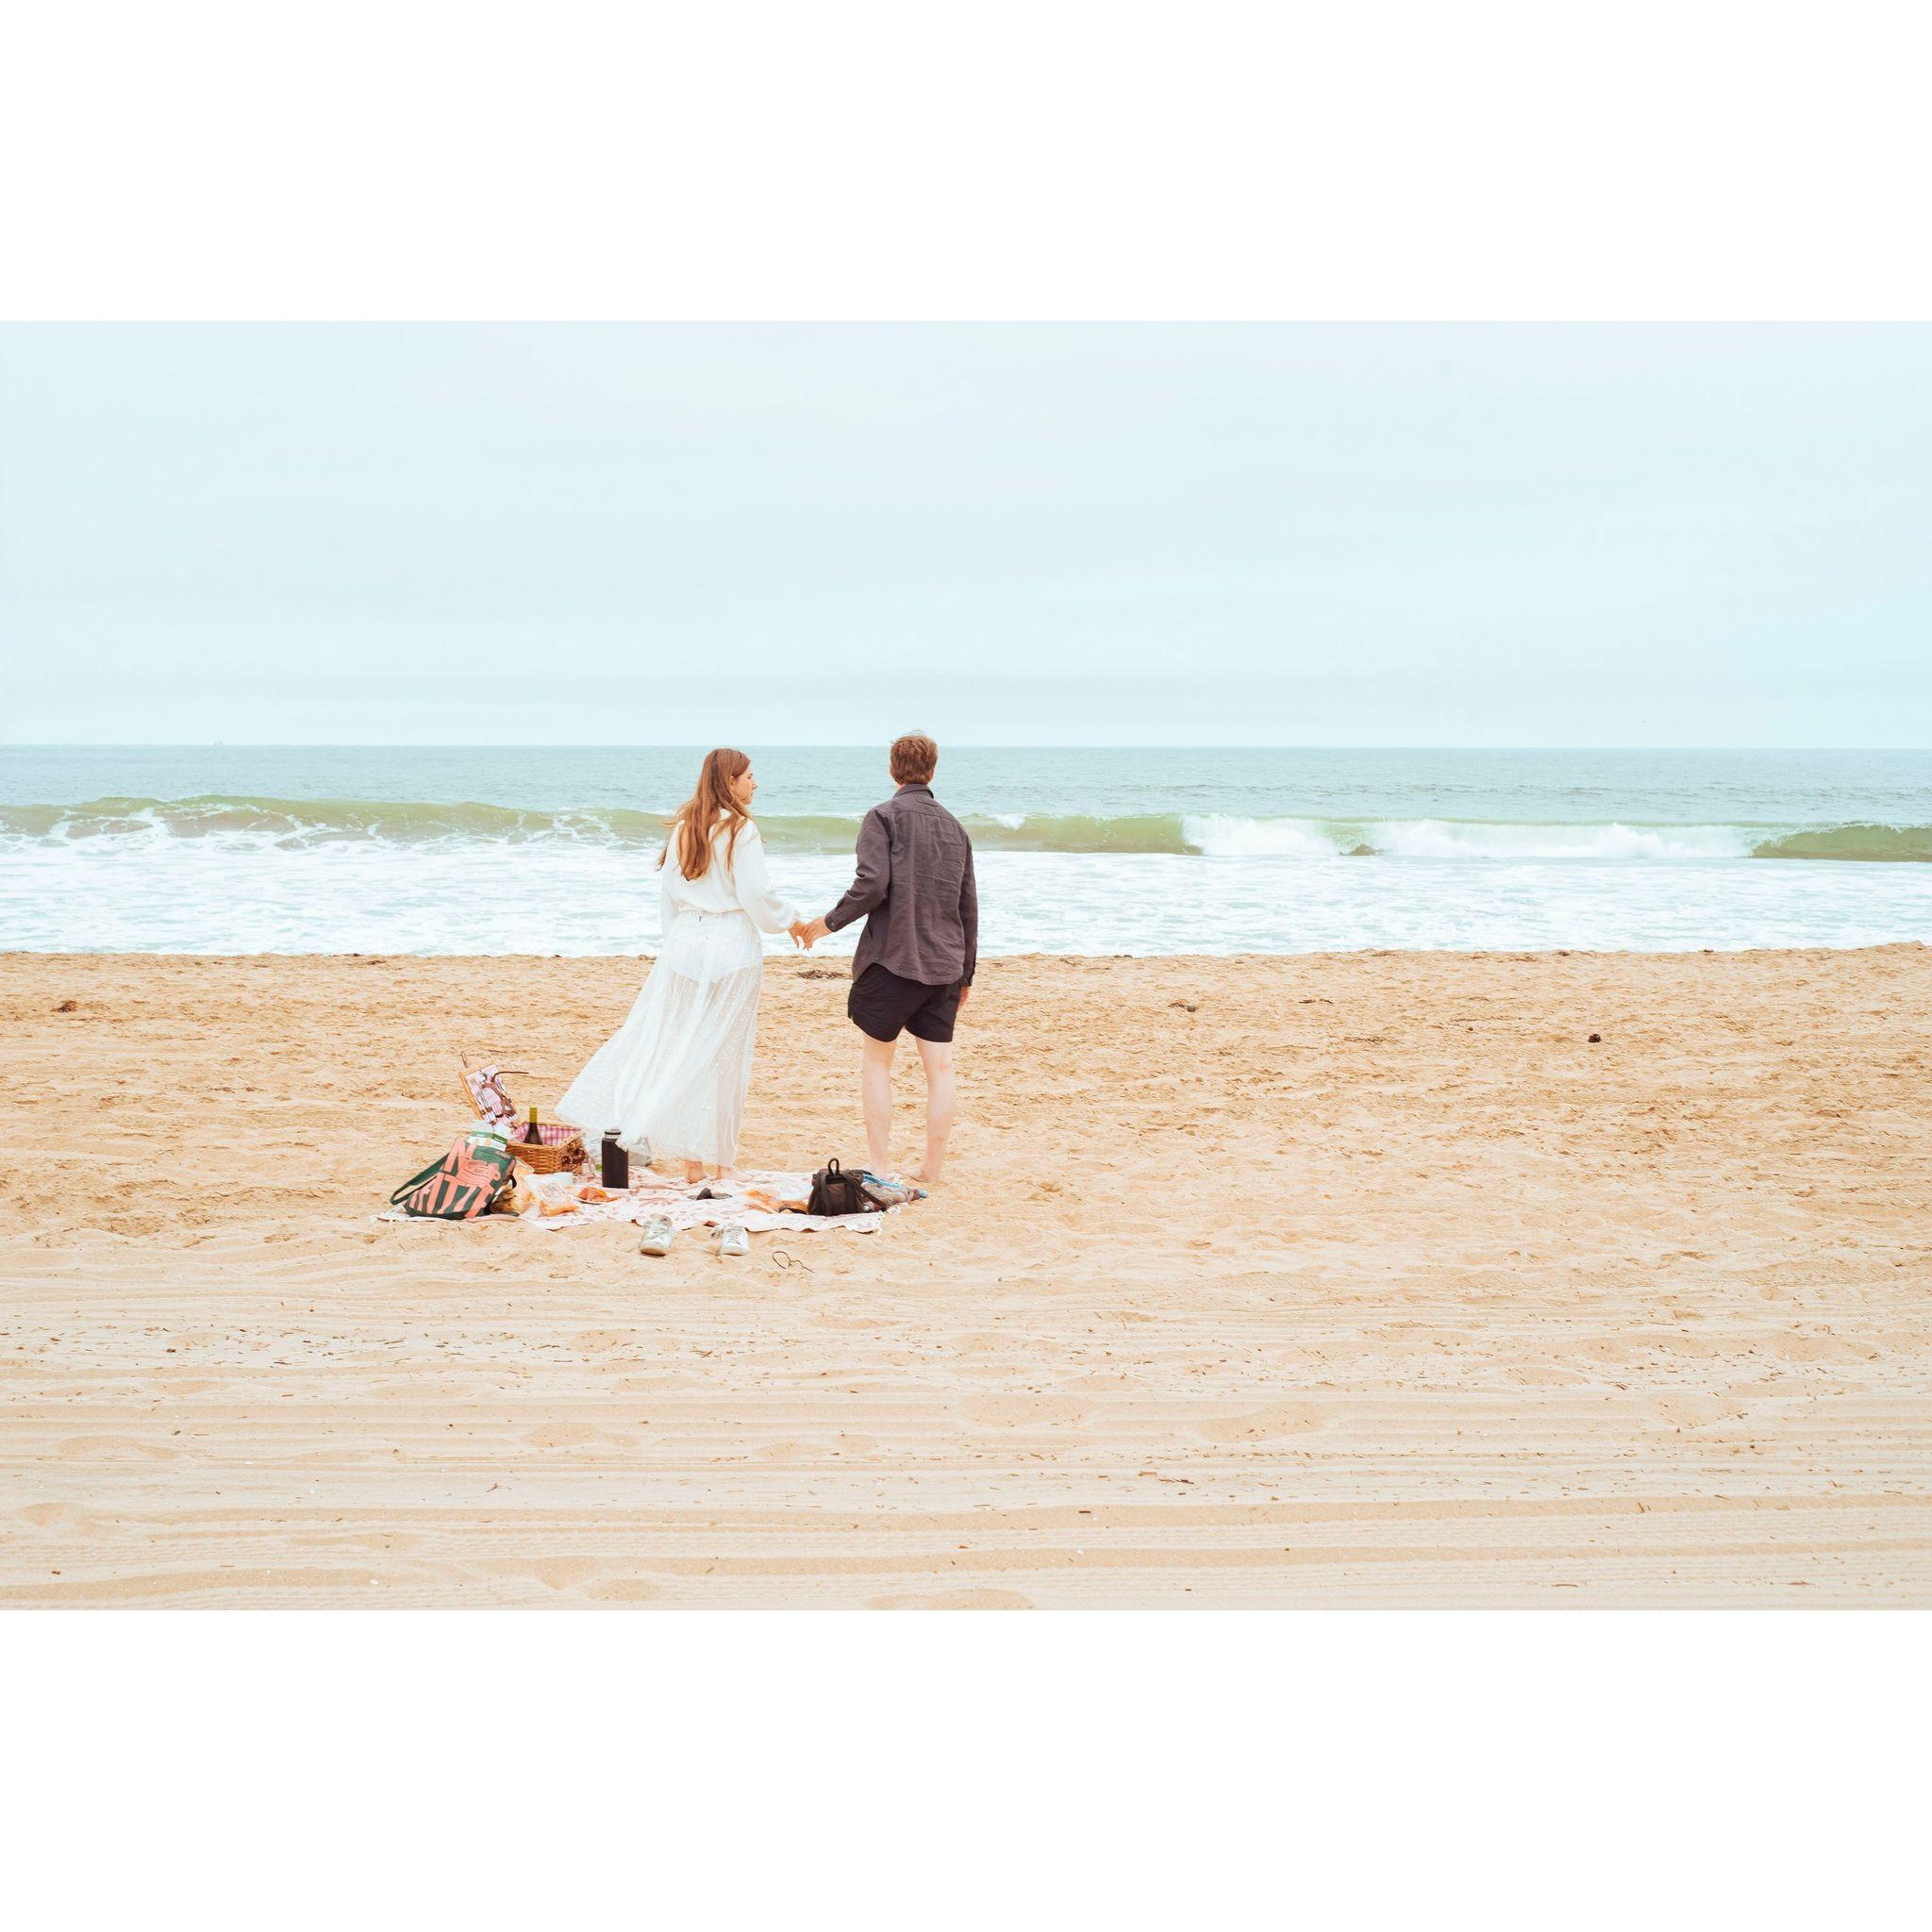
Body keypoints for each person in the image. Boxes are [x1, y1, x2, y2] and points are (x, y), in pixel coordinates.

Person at [557, 748, 806, 1185]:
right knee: (726, 1061)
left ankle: (693, 1164)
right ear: (731, 782)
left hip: (686, 945)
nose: (755, 783)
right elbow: (754, 894)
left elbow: (669, 895)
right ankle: (722, 1165)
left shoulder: (686, 827)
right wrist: (790, 922)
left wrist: (676, 944)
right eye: (749, 776)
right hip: (731, 947)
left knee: (682, 1048)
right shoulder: (742, 829)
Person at [796, 733, 976, 1184]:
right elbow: (968, 906)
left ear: (892, 769)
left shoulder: (883, 816)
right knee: (941, 1069)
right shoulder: (956, 827)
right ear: (933, 771)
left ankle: (879, 1165)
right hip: (944, 966)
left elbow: (872, 884)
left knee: (878, 1063)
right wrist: (966, 974)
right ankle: (931, 1169)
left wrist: (827, 923)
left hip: (893, 961)